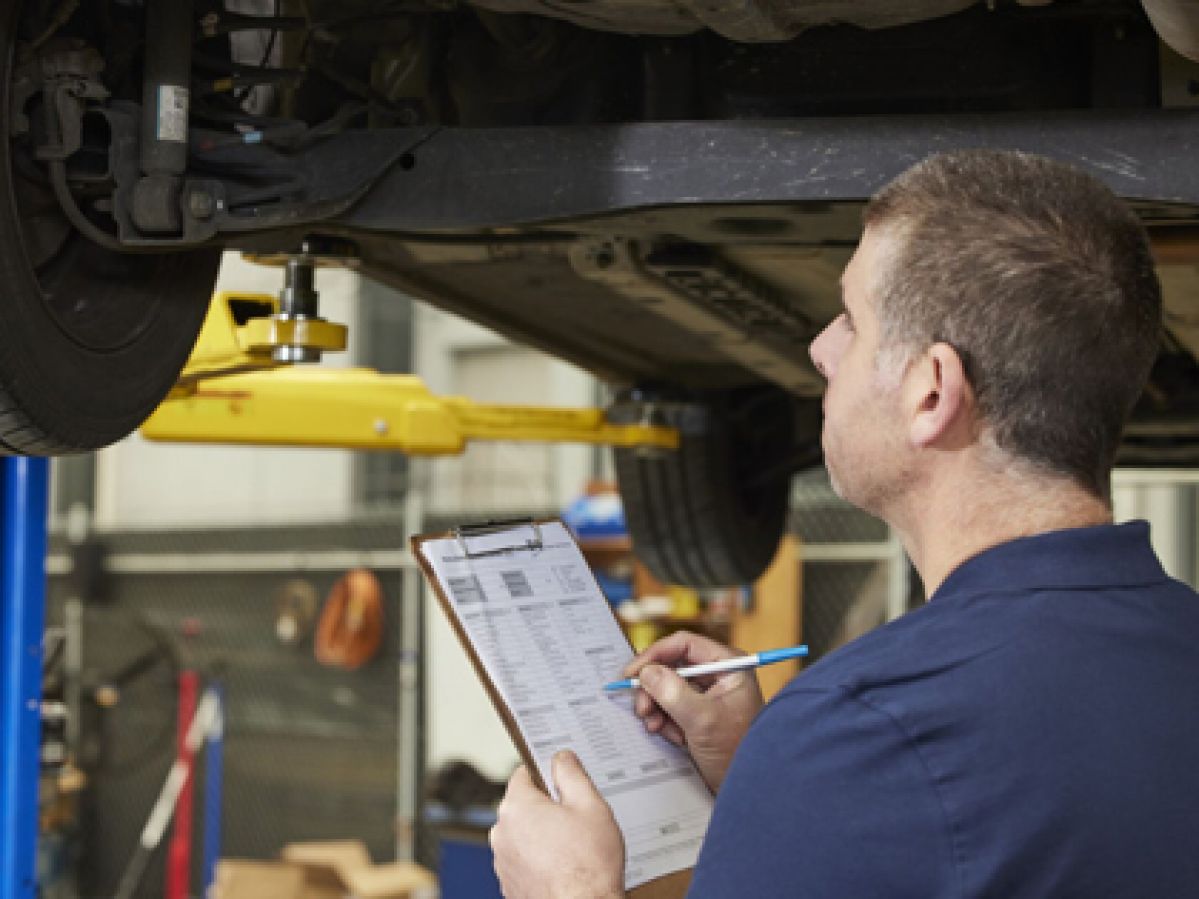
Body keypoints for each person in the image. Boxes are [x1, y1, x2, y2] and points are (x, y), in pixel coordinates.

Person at [487, 149, 1199, 897]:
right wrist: (770, 783)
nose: (821, 348)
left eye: (852, 321)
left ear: (931, 393)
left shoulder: (862, 729)